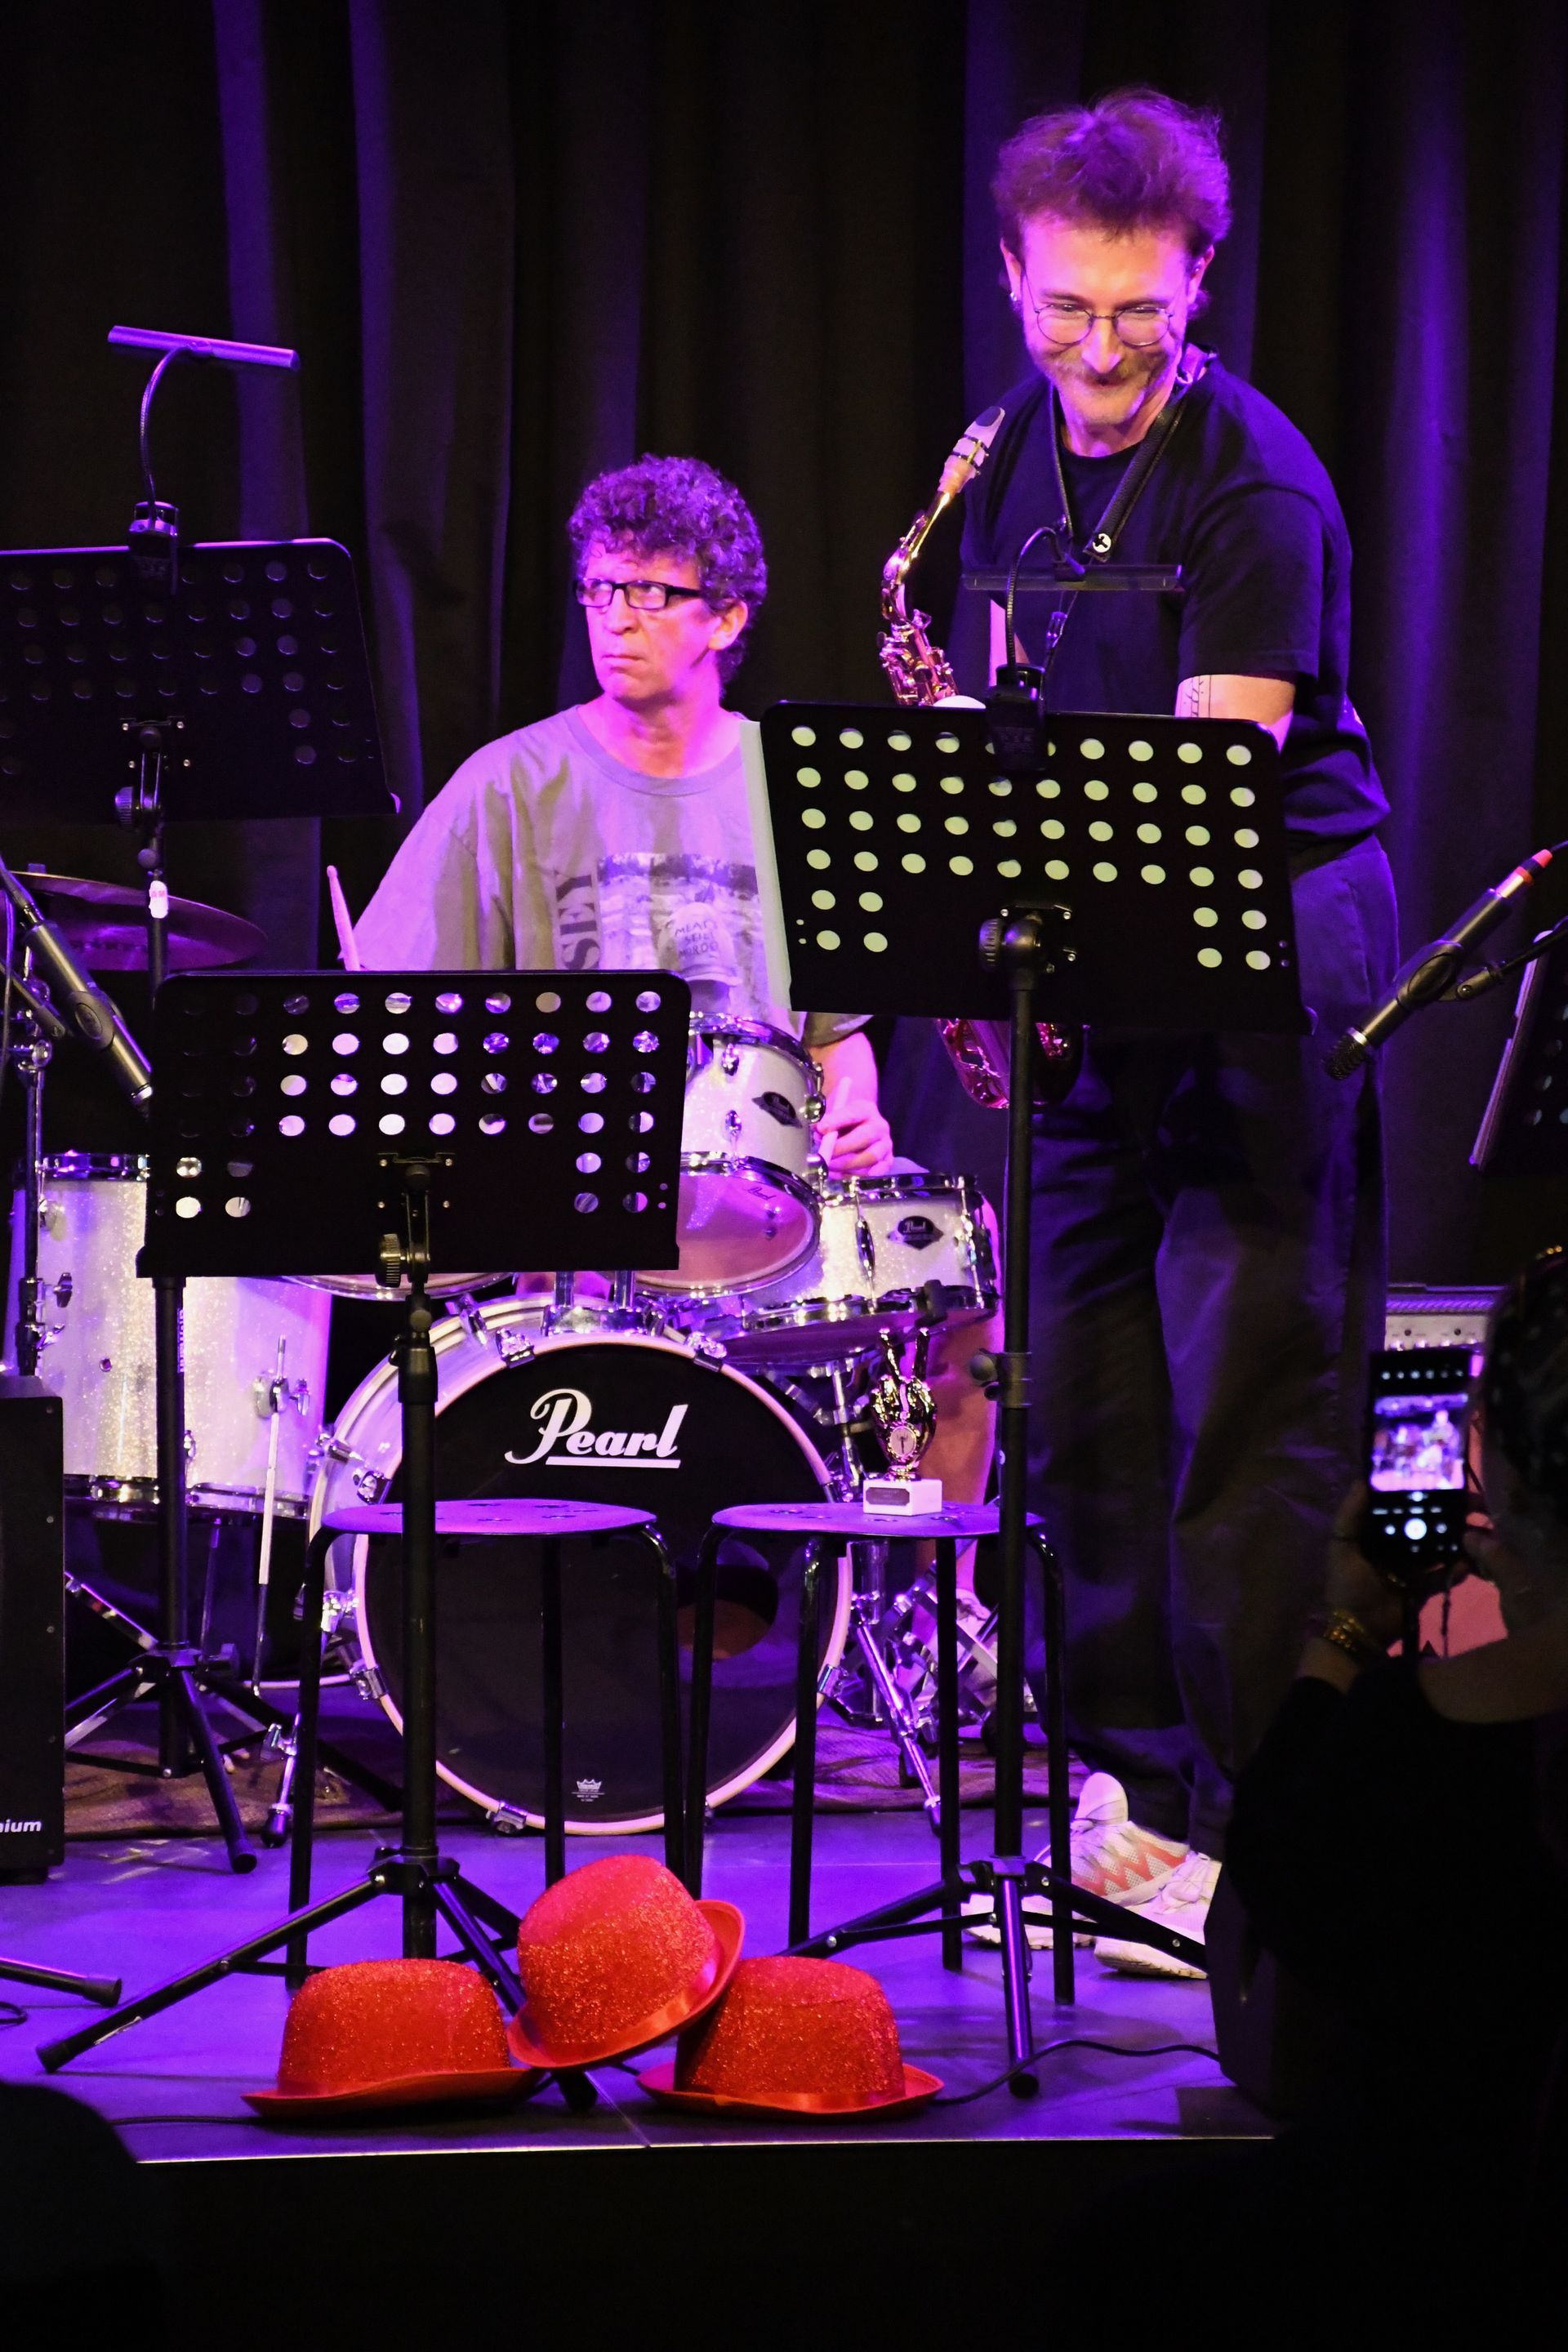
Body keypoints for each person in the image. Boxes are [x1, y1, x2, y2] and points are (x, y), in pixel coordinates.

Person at [954, 91, 1399, 1971]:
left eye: (1138, 308)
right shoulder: (998, 463)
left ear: (1198, 280)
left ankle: (1257, 1835)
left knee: (1247, 1414)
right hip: (1091, 972)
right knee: (1088, 1412)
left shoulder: (1254, 484)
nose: (1101, 347)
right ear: (1013, 280)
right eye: (1066, 307)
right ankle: (1127, 1810)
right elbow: (997, 716)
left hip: (1259, 959)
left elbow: (1205, 808)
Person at [354, 452, 994, 1500]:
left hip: (767, 1198)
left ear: (726, 619)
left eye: (651, 593)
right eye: (600, 588)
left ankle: (937, 1592)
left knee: (959, 1264)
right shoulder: (505, 786)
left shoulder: (796, 789)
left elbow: (835, 1040)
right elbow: (398, 1017)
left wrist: (858, 1117)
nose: (616, 618)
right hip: (569, 1202)